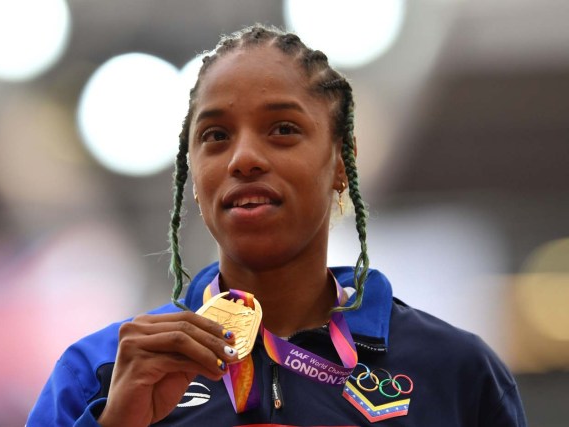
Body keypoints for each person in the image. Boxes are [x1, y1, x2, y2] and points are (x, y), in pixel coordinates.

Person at [27, 24, 527, 426]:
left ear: (340, 164)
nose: (243, 158)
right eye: (216, 135)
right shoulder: (98, 372)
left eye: (283, 129)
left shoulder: (455, 370)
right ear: (194, 176)